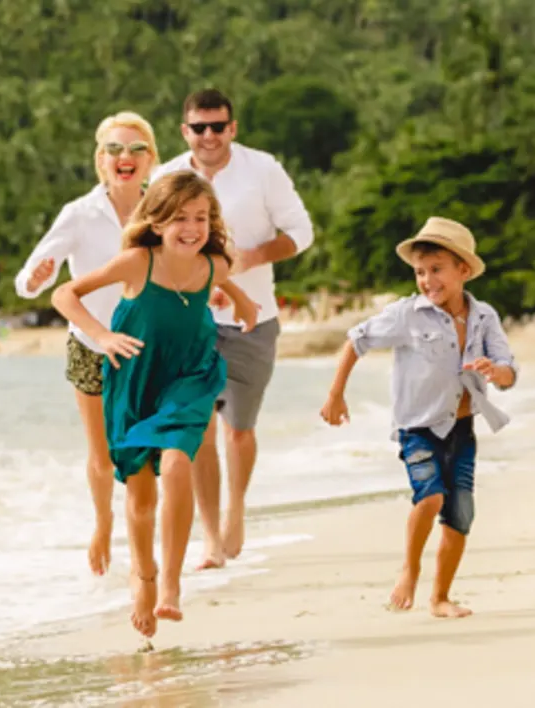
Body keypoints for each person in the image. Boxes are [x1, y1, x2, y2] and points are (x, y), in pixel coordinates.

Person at [51, 171, 259, 638]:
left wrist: (244, 304)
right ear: (158, 221)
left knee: (179, 463)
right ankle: (143, 574)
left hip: (190, 378)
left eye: (202, 218)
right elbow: (64, 294)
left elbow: (225, 277)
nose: (192, 228)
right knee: (142, 499)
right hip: (136, 381)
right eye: (181, 218)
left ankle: (170, 583)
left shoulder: (211, 265)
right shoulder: (137, 262)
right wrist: (102, 336)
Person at [319, 217, 518, 619]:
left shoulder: (484, 317)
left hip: (462, 429)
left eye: (436, 269)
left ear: (463, 270)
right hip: (418, 429)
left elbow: (509, 370)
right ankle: (409, 569)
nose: (427, 280)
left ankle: (440, 598)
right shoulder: (406, 314)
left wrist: (496, 372)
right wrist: (335, 394)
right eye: (420, 272)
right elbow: (356, 340)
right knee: (430, 496)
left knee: (460, 517)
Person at [148, 88, 315, 569]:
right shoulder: (165, 177)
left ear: (232, 128)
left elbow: (301, 233)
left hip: (252, 319)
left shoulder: (263, 169)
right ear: (185, 131)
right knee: (198, 428)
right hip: (188, 321)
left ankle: (235, 510)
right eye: (199, 127)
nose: (209, 136)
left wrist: (251, 257)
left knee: (238, 429)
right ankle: (210, 539)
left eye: (218, 126)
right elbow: (149, 241)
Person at [14, 111, 160, 576]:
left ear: (151, 159)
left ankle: (143, 555)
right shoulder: (78, 213)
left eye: (136, 149)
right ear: (101, 160)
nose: (125, 156)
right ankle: (103, 522)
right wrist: (35, 277)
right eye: (114, 149)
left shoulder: (162, 209)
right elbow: (31, 278)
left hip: (145, 348)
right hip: (90, 345)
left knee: (139, 454)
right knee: (101, 454)